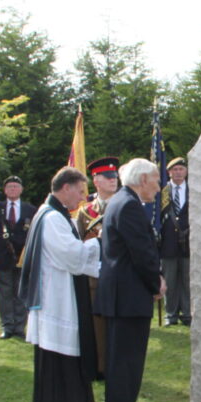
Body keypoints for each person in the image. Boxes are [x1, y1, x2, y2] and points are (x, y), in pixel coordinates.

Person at [18, 167, 100, 402]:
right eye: (79, 190)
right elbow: (72, 257)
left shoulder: (52, 213)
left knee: (62, 353)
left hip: (59, 291)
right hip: (57, 297)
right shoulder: (52, 218)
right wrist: (99, 242)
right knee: (59, 353)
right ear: (65, 188)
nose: (82, 197)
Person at [96, 158, 166, 402]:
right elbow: (142, 253)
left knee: (119, 363)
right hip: (127, 298)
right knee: (126, 365)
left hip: (120, 296)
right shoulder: (129, 206)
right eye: (157, 180)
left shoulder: (119, 201)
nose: (159, 187)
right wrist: (156, 282)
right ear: (144, 179)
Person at [77, 156, 120, 378]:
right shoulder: (85, 212)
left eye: (115, 176)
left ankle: (118, 365)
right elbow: (78, 243)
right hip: (95, 277)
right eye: (108, 177)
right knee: (97, 325)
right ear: (96, 180)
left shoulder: (125, 205)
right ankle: (101, 366)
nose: (114, 180)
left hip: (120, 276)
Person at [0, 176, 36, 339]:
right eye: (9, 187)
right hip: (3, 256)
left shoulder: (30, 210)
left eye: (16, 186)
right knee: (5, 293)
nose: (12, 189)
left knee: (20, 292)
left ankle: (19, 327)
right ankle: (8, 326)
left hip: (22, 257)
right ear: (4, 190)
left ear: (21, 189)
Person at [160, 157, 191, 325]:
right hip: (168, 243)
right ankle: (170, 314)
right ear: (169, 172)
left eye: (181, 169)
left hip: (189, 243)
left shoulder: (194, 190)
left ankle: (187, 313)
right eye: (175, 169)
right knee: (169, 280)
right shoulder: (162, 192)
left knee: (187, 280)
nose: (178, 172)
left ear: (186, 172)